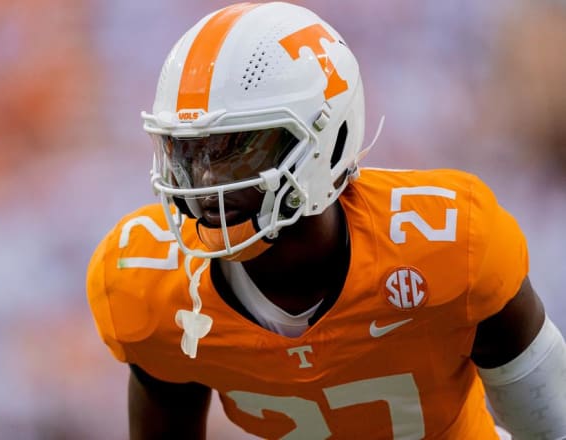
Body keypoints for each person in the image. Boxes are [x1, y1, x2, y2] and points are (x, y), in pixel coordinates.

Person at [87, 2, 566, 438]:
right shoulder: (148, 284)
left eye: (234, 149)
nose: (205, 177)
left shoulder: (448, 244)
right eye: (186, 151)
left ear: (326, 141)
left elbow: (550, 424)